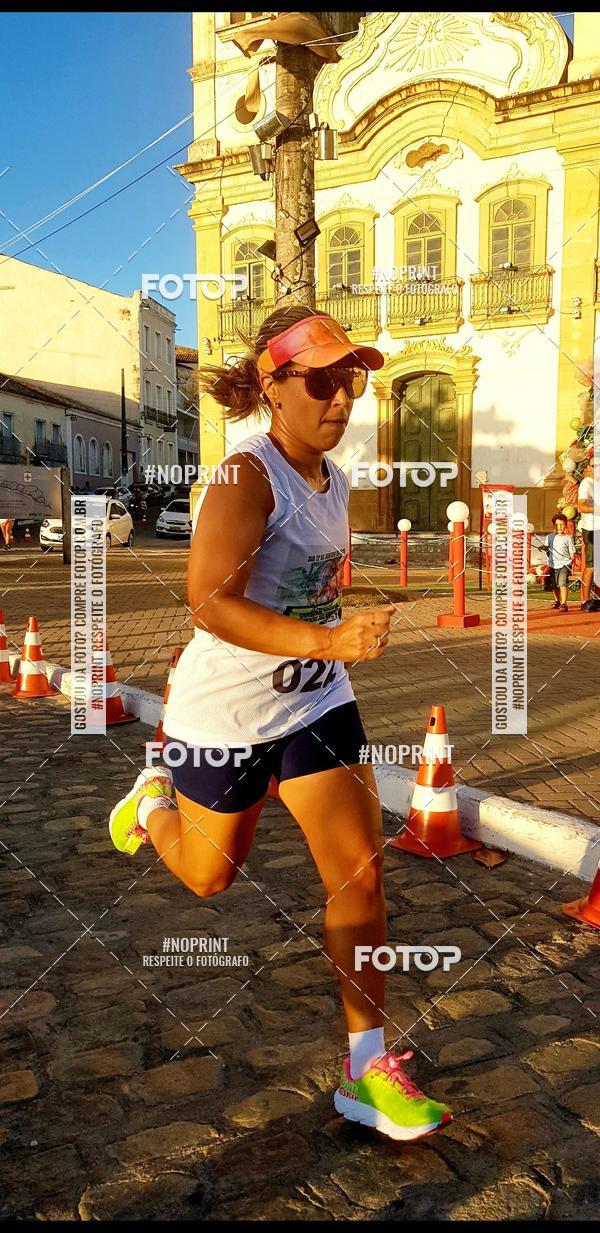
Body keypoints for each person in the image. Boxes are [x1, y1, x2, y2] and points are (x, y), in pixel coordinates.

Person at [108, 306, 452, 1143]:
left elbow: (306, 586)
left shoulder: (332, 479)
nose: (341, 398)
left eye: (353, 379)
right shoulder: (243, 476)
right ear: (274, 384)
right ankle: (152, 799)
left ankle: (366, 1067)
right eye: (322, 379)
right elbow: (208, 601)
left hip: (315, 701)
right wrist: (328, 635)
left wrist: (332, 638)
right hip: (226, 712)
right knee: (207, 876)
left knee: (360, 874)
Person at [577, 457, 600, 612]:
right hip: (592, 528)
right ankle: (584, 600)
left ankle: (597, 599)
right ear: (589, 468)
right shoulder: (587, 483)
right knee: (591, 565)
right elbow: (581, 507)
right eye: (594, 465)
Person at [544, 513, 576, 613]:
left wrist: (572, 563)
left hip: (564, 564)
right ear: (554, 525)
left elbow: (572, 553)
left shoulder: (568, 538)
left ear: (565, 525)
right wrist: (544, 548)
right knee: (554, 585)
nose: (560, 527)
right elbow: (546, 549)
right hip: (553, 564)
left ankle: (563, 603)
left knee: (562, 583)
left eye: (562, 524)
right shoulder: (549, 537)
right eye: (557, 525)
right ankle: (557, 601)